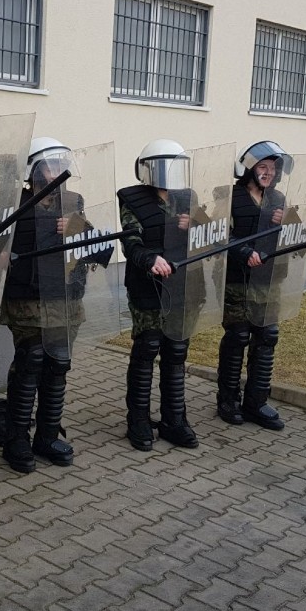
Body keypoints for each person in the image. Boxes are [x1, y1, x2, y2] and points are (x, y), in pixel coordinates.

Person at [0, 137, 84, 473]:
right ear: (33, 170)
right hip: (28, 299)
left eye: (62, 165)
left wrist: (77, 228)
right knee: (31, 362)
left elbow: (91, 242)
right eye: (50, 165)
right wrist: (0, 256)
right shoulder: (15, 203)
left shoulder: (73, 201)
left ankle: (47, 434)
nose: (57, 172)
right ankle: (16, 438)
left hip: (65, 297)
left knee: (58, 363)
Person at [117, 139, 199, 452]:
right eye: (164, 165)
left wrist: (195, 226)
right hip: (147, 285)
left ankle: (174, 420)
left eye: (175, 165)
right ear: (149, 169)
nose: (170, 173)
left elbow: (210, 233)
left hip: (181, 286)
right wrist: (149, 259)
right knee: (147, 347)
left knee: (176, 350)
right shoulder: (132, 198)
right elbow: (131, 240)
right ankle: (137, 419)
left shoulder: (187, 198)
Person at [216, 141, 289, 430]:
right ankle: (228, 400)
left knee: (267, 336)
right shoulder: (230, 198)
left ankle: (256, 401)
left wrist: (288, 223)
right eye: (262, 167)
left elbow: (295, 237)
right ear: (249, 169)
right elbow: (219, 235)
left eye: (273, 168)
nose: (268, 173)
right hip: (237, 280)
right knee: (238, 337)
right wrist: (245, 252)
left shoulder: (279, 199)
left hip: (269, 280)